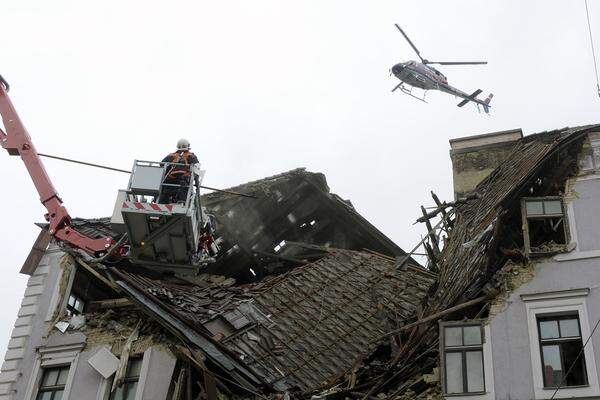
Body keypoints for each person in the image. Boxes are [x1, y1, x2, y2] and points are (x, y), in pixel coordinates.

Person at [158, 139, 199, 204]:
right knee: (184, 187)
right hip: (183, 179)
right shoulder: (190, 155)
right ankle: (182, 201)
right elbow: (196, 166)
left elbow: (162, 164)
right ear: (188, 146)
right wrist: (196, 180)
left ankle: (162, 202)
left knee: (165, 188)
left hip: (171, 178)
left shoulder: (172, 155)